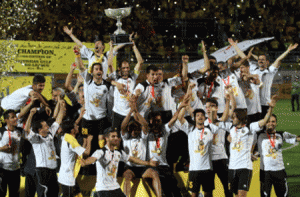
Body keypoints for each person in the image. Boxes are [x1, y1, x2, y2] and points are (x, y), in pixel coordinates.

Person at [217, 95, 278, 197]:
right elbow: (216, 123)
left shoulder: (250, 128)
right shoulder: (231, 128)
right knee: (236, 195)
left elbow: (263, 121)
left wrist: (271, 108)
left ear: (240, 117)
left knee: (242, 195)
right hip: (232, 167)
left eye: (234, 116)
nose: (232, 118)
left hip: (244, 167)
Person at [80, 127, 159, 197]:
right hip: (103, 189)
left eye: (117, 136)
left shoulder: (118, 153)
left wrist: (148, 163)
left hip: (115, 188)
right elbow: (93, 159)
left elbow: (132, 159)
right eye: (113, 136)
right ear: (106, 138)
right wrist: (85, 162)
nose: (116, 138)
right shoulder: (101, 152)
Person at [120, 101, 162, 197]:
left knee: (155, 174)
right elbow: (123, 126)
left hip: (143, 168)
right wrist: (131, 111)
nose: (134, 131)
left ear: (139, 129)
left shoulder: (143, 138)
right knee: (127, 177)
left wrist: (136, 111)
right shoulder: (126, 138)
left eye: (136, 129)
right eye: (131, 129)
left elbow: (145, 125)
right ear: (129, 130)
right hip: (130, 167)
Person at [24, 101, 65, 197]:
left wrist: (62, 108)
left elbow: (58, 121)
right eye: (46, 126)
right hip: (43, 171)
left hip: (53, 171)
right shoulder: (36, 139)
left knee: (54, 192)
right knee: (44, 194)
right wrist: (30, 114)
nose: (48, 127)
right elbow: (26, 130)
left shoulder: (50, 134)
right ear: (40, 130)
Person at [256, 114, 300, 197]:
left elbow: (296, 138)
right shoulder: (259, 136)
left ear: (276, 123)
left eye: (273, 121)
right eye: (268, 121)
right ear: (265, 123)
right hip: (265, 172)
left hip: (279, 171)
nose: (271, 123)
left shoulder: (281, 134)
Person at [108, 34, 144, 131]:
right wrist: (111, 48)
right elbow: (110, 64)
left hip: (130, 113)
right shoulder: (116, 77)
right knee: (117, 136)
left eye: (127, 67)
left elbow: (140, 62)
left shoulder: (133, 77)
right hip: (117, 113)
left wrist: (134, 46)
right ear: (119, 68)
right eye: (123, 68)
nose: (126, 69)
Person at [58, 120, 93, 197]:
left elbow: (78, 151)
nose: (78, 127)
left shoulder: (65, 137)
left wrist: (84, 142)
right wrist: (89, 140)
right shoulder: (71, 140)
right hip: (68, 177)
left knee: (78, 194)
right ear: (72, 130)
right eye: (75, 126)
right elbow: (86, 152)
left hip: (66, 174)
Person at [0, 110, 24, 197]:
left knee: (14, 194)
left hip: (16, 169)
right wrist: (2, 148)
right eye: (12, 117)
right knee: (1, 193)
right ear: (6, 120)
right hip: (2, 169)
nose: (16, 118)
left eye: (15, 116)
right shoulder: (1, 131)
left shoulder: (20, 131)